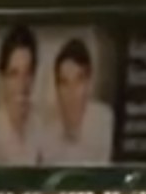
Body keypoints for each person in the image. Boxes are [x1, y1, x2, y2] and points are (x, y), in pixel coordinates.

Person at [32, 37, 115, 165]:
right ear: (57, 89)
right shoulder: (45, 139)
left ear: (89, 84)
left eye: (79, 81)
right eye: (64, 83)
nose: (72, 93)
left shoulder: (104, 121)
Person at [0, 25, 42, 167]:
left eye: (27, 73)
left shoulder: (42, 127)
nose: (22, 84)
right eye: (14, 74)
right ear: (2, 78)